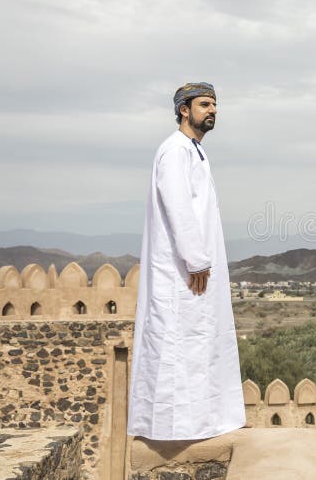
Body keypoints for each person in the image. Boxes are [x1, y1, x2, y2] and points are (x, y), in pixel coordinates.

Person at [127, 82, 246, 440]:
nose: (212, 110)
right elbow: (178, 205)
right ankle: (173, 427)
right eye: (205, 104)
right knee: (178, 342)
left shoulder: (194, 151)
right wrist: (195, 260)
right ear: (184, 109)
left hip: (194, 269)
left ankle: (203, 421)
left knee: (200, 341)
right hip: (181, 271)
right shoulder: (175, 150)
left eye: (215, 105)